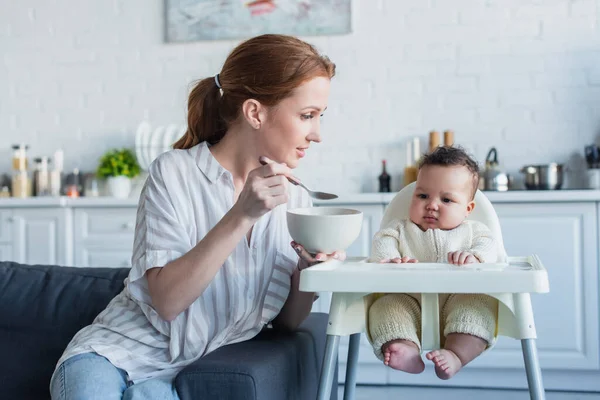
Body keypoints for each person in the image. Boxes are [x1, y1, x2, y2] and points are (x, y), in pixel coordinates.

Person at [50, 34, 342, 400]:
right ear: (255, 112)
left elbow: (286, 322)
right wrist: (241, 216)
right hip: (111, 356)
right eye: (307, 116)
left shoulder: (295, 197)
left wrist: (307, 269)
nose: (316, 134)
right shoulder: (173, 173)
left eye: (319, 117)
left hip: (185, 375)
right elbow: (168, 302)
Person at [367, 146, 505, 380]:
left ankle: (456, 355)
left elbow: (491, 249)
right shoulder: (399, 229)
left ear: (467, 209)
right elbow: (382, 243)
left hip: (460, 297)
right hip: (410, 301)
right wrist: (390, 259)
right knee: (384, 307)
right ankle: (406, 347)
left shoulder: (474, 233)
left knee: (479, 306)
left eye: (447, 199)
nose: (432, 205)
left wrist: (475, 256)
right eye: (422, 196)